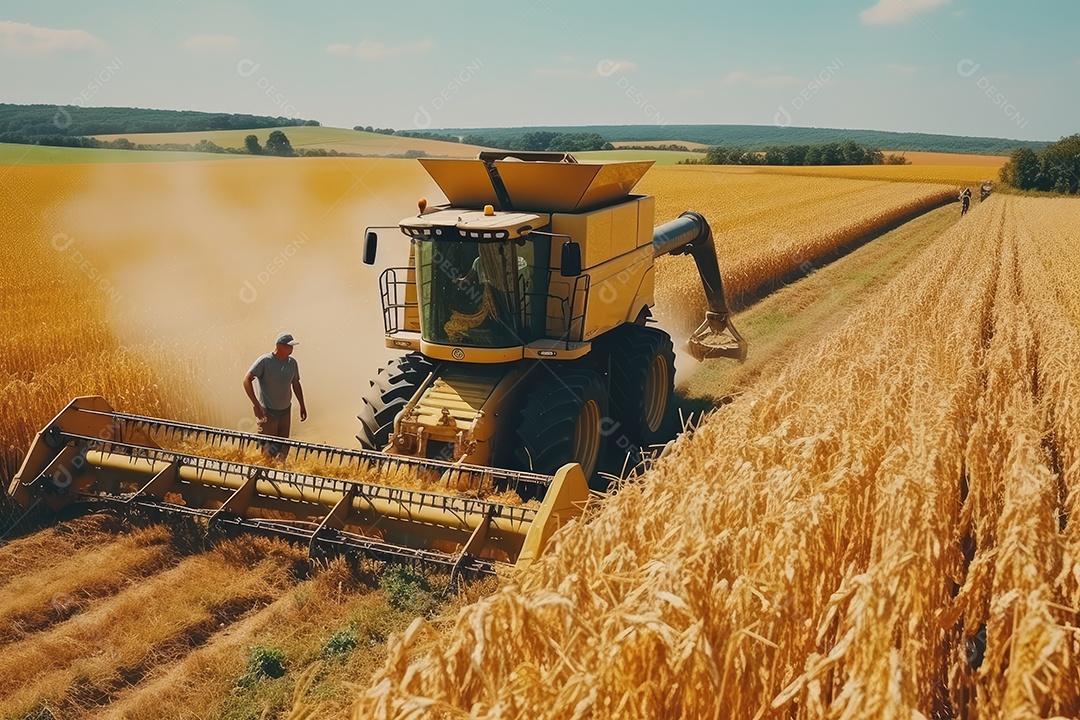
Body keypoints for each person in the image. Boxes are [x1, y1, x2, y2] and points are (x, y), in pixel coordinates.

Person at [243, 333, 307, 458]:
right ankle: (263, 472)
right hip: (267, 411)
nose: (292, 349)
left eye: (292, 347)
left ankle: (279, 471)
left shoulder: (292, 363)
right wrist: (256, 405)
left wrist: (302, 405)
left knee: (283, 447)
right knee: (267, 449)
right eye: (289, 347)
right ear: (279, 346)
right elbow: (246, 380)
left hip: (285, 411)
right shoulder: (265, 361)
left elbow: (295, 383)